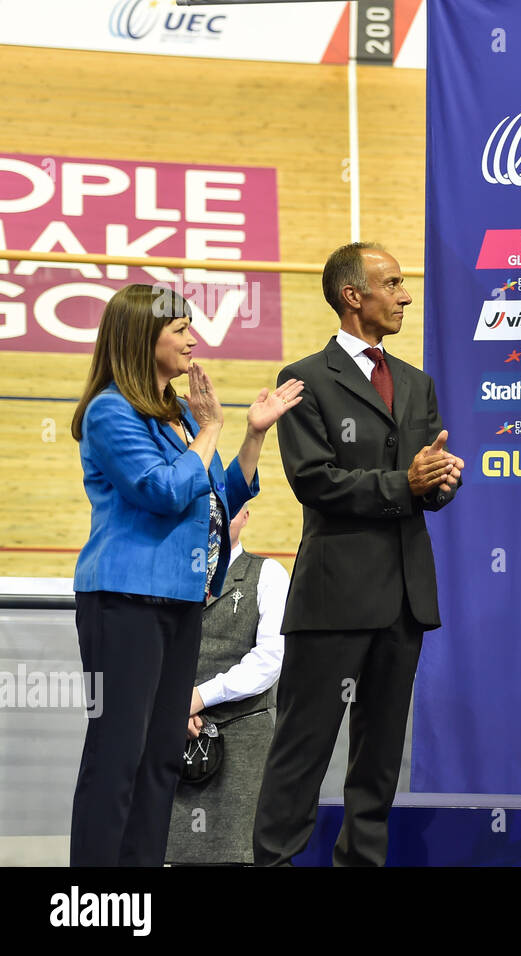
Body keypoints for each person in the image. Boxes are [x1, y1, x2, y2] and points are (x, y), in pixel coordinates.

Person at [69, 283, 302, 866]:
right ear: (143, 339)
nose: (193, 340)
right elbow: (164, 490)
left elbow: (215, 496)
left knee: (160, 757)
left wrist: (250, 434)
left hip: (178, 603)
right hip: (124, 601)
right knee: (118, 755)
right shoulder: (109, 410)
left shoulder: (174, 413)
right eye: (180, 331)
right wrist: (210, 431)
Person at [253, 242, 464, 866]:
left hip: (403, 600)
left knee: (376, 765)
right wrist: (409, 483)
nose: (404, 295)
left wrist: (443, 481)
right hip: (334, 600)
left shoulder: (415, 383)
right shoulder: (306, 379)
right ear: (353, 296)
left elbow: (427, 484)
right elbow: (315, 481)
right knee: (302, 751)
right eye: (392, 283)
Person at [167, 504, 288, 865]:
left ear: (246, 517)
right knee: (176, 853)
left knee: (242, 854)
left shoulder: (268, 574)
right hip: (178, 737)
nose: (218, 521)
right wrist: (173, 705)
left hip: (244, 745)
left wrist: (198, 697)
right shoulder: (172, 575)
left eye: (229, 511)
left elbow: (269, 660)